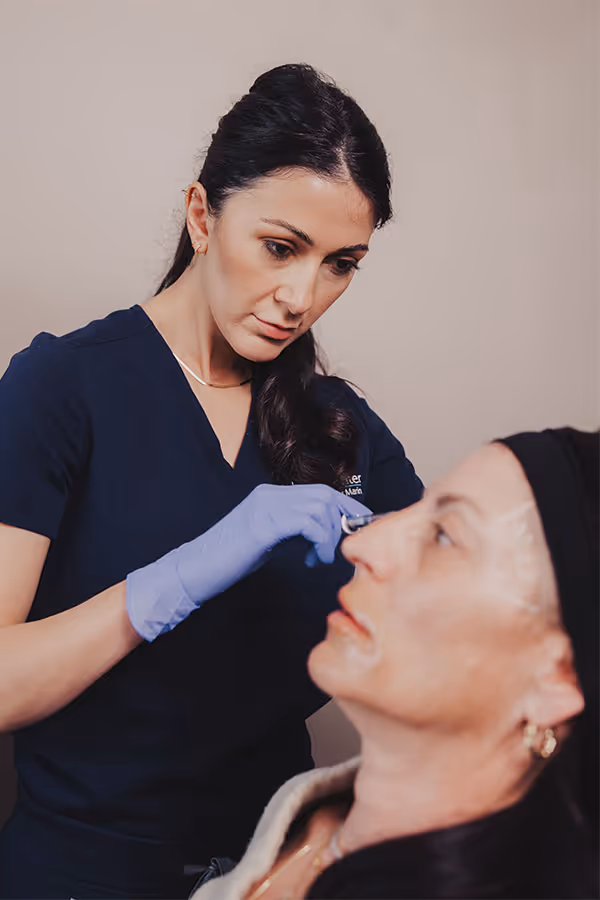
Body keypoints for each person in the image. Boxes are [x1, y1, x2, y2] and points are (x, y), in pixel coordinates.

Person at [0, 64, 423, 899]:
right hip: (85, 874)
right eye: (279, 247)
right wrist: (175, 581)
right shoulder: (61, 389)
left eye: (342, 264)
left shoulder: (340, 427)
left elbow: (449, 614)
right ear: (203, 215)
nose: (302, 296)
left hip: (277, 870)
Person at [192, 427, 599, 900]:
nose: (360, 545)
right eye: (410, 515)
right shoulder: (310, 820)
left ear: (557, 677)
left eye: (444, 536)